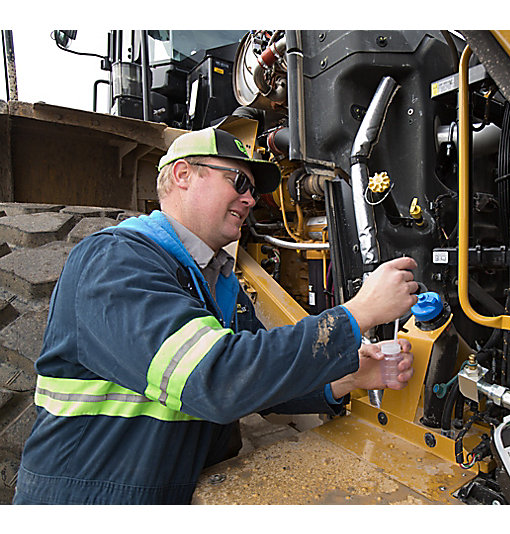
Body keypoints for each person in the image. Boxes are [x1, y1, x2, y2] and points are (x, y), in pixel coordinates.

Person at [14, 127, 419, 505]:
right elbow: (218, 379)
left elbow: (257, 380)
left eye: (253, 192)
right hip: (90, 500)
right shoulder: (116, 262)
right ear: (184, 174)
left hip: (168, 491)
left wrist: (347, 376)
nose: (250, 199)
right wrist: (357, 313)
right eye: (238, 182)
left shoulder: (218, 279)